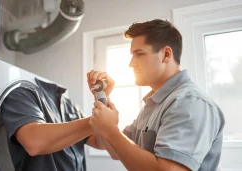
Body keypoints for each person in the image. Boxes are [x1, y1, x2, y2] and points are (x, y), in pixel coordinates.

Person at [87, 19, 225, 171]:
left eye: (139, 54)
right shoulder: (154, 104)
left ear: (166, 54)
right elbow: (115, 150)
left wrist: (111, 131)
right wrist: (102, 98)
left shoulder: (190, 102)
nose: (131, 63)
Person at [0, 78, 108, 171]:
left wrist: (103, 99)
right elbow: (34, 143)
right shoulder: (22, 94)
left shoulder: (72, 106)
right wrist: (98, 121)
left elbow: (100, 143)